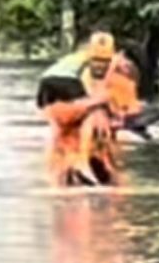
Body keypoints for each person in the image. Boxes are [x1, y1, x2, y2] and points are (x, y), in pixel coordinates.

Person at [37, 31, 124, 186]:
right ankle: (82, 162)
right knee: (93, 109)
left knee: (61, 122)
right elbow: (92, 92)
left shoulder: (79, 59)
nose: (101, 65)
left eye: (104, 61)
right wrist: (106, 106)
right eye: (97, 60)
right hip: (61, 80)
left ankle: (62, 168)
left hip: (46, 82)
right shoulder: (85, 66)